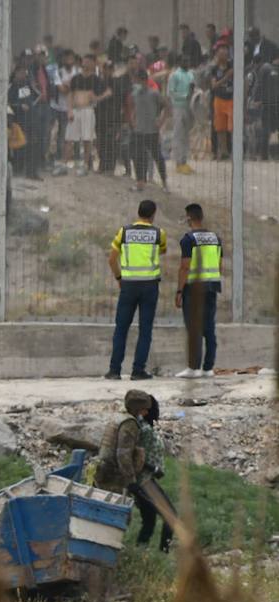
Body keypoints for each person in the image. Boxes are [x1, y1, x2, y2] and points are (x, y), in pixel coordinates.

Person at [94, 390, 172, 551]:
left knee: (119, 518)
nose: (146, 412)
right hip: (115, 478)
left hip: (107, 475)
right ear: (137, 409)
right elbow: (123, 454)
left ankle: (134, 552)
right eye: (144, 409)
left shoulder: (121, 418)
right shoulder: (130, 424)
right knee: (117, 519)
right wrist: (131, 481)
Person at [106, 199, 168, 380]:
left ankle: (114, 370)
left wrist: (119, 278)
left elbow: (111, 259)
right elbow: (162, 251)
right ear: (153, 214)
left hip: (128, 285)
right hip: (150, 286)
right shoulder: (159, 233)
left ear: (138, 212)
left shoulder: (124, 232)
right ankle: (138, 370)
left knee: (121, 328)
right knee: (145, 329)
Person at [174, 203, 222, 378]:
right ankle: (208, 368)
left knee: (194, 328)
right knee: (209, 327)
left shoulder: (188, 239)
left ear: (189, 217)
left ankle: (193, 368)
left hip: (193, 289)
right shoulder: (216, 238)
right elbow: (219, 265)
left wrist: (179, 291)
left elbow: (185, 267)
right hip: (211, 287)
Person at [134, 395, 174, 551]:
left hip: (146, 480)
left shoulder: (145, 426)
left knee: (149, 521)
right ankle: (162, 554)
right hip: (144, 482)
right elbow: (134, 454)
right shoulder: (142, 429)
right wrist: (153, 468)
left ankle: (140, 554)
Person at [129, 68, 168, 191]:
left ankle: (165, 183)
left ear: (143, 80)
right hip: (139, 131)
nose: (136, 82)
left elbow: (167, 107)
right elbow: (135, 107)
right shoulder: (135, 93)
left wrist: (161, 122)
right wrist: (133, 119)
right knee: (138, 157)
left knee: (158, 157)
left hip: (152, 131)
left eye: (137, 80)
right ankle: (140, 182)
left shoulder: (154, 93)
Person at [166, 52, 195, 173]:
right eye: (184, 61)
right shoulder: (174, 75)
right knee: (178, 134)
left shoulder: (190, 74)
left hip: (189, 108)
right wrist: (185, 96)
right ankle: (178, 162)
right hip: (178, 107)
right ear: (179, 62)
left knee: (186, 135)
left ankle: (184, 161)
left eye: (188, 61)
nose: (187, 63)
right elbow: (170, 92)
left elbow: (193, 89)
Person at [210, 45, 234, 160]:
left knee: (232, 126)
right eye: (220, 54)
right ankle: (223, 151)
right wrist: (226, 77)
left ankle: (234, 150)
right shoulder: (214, 69)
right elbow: (213, 85)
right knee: (220, 128)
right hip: (219, 99)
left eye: (225, 53)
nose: (223, 56)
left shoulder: (233, 66)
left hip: (231, 99)